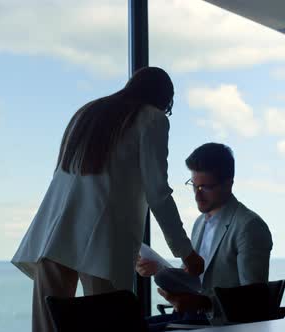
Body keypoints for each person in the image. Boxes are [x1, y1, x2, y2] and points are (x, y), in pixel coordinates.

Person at [11, 67, 205, 332]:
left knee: (47, 327)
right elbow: (157, 192)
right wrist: (186, 252)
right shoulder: (152, 119)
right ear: (163, 99)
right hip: (103, 242)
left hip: (54, 232)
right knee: (108, 324)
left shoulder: (87, 113)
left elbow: (87, 184)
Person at [136, 143, 273, 329]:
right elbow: (191, 278)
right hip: (191, 317)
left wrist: (203, 304)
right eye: (194, 185)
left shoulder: (249, 226)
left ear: (229, 183)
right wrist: (159, 269)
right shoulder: (200, 223)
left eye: (206, 187)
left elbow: (253, 300)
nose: (197, 196)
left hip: (220, 323)